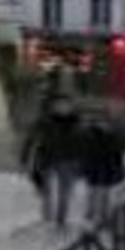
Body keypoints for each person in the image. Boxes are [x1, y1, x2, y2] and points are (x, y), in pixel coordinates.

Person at [22, 94, 82, 230]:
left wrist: (82, 162)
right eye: (59, 105)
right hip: (47, 158)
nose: (62, 108)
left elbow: (83, 142)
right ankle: (47, 217)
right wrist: (25, 157)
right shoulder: (44, 121)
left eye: (65, 105)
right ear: (53, 107)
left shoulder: (76, 122)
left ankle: (61, 219)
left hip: (68, 160)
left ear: (71, 107)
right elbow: (31, 139)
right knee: (46, 191)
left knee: (65, 192)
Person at [79, 114, 125, 226]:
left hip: (105, 167)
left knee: (103, 192)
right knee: (93, 191)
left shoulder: (111, 135)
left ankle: (102, 215)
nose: (103, 125)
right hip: (95, 167)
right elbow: (84, 152)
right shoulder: (89, 135)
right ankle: (92, 212)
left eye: (104, 122)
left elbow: (117, 153)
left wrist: (119, 168)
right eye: (100, 122)